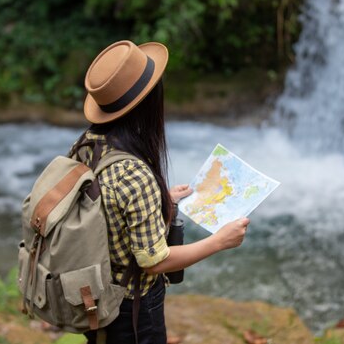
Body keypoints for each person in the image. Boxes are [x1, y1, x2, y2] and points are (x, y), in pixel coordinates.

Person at [70, 40, 250, 344]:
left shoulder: (87, 144)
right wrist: (219, 241)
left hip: (97, 295)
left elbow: (103, 207)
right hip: (132, 311)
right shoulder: (133, 173)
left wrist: (158, 199)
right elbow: (154, 261)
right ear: (147, 103)